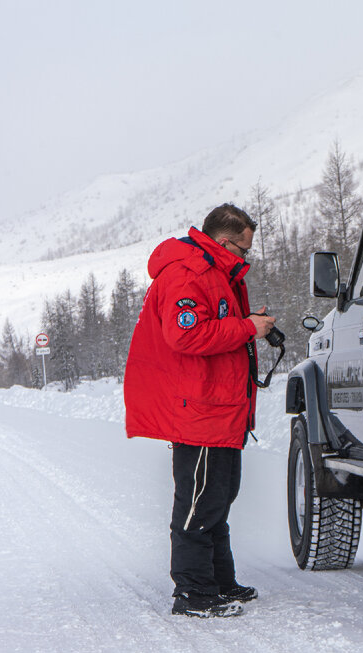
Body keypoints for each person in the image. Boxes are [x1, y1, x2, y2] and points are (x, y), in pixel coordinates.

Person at [124, 203, 276, 617]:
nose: (246, 256)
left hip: (221, 408)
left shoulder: (215, 272)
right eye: (244, 248)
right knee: (197, 504)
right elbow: (185, 336)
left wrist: (246, 320)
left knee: (218, 499)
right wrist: (247, 327)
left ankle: (218, 582)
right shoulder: (188, 272)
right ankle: (193, 593)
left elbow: (213, 323)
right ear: (225, 241)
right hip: (200, 410)